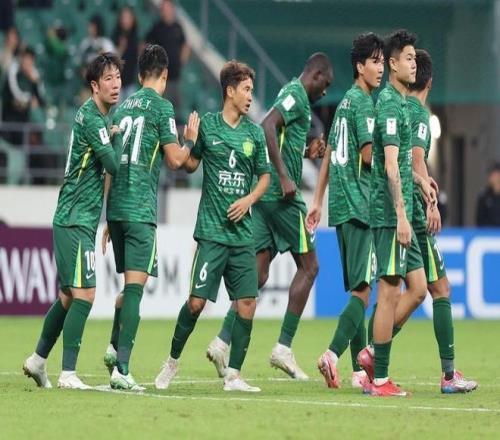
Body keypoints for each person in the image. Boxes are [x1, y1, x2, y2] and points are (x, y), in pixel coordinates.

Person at [206, 53, 333, 381]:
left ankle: (222, 341)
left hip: (265, 198)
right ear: (316, 74)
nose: (325, 92)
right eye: (326, 84)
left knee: (258, 275)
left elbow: (279, 138)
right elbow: (267, 126)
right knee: (310, 266)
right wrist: (285, 176)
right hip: (281, 197)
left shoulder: (292, 95)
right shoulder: (296, 95)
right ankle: (283, 347)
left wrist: (305, 152)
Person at [154, 60, 271, 392]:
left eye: (251, 89)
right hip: (211, 233)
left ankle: (233, 375)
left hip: (242, 236)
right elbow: (189, 166)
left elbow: (265, 177)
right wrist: (189, 140)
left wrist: (249, 200)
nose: (250, 96)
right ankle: (172, 362)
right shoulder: (208, 125)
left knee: (247, 303)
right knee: (196, 303)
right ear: (230, 91)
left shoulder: (255, 133)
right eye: (246, 89)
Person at [100, 44, 200, 391]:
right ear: (165, 75)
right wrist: (190, 141)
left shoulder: (123, 106)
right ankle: (122, 369)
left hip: (116, 209)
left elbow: (110, 163)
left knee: (128, 288)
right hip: (140, 209)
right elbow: (175, 160)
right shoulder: (162, 107)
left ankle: (113, 348)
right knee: (135, 290)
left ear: (139, 73)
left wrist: (107, 214)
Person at [23, 53, 123, 390]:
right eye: (108, 79)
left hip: (78, 218)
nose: (116, 84)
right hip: (74, 218)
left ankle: (38, 361)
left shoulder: (97, 117)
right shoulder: (93, 119)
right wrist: (117, 135)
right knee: (85, 294)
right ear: (94, 86)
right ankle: (68, 373)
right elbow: (113, 165)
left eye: (118, 77)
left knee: (68, 295)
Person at [306, 33, 384, 389]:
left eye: (382, 62)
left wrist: (318, 200)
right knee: (364, 293)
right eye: (375, 62)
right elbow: (368, 156)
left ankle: (358, 371)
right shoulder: (364, 104)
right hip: (361, 206)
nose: (380, 69)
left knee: (358, 290)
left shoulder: (344, 105)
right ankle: (332, 355)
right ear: (359, 66)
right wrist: (396, 163)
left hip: (340, 207)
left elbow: (327, 158)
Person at [356, 30, 432, 397]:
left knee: (418, 289)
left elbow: (401, 163)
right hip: (389, 215)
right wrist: (402, 215)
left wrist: (420, 180)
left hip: (402, 209)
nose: (414, 63)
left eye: (415, 58)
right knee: (389, 291)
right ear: (392, 63)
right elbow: (387, 165)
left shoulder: (402, 104)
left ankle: (373, 353)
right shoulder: (387, 103)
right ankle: (380, 379)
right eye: (408, 58)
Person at [406, 49, 477, 392]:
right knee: (440, 289)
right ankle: (449, 376)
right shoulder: (419, 114)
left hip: (394, 209)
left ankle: (372, 354)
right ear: (430, 82)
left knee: (401, 291)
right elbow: (417, 158)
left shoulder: (397, 108)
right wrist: (431, 202)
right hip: (414, 212)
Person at [144, 0, 190, 116]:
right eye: (164, 9)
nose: (166, 11)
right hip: (161, 76)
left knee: (177, 108)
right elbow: (145, 44)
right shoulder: (157, 27)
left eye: (168, 8)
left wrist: (182, 60)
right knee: (162, 108)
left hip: (176, 75)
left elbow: (185, 44)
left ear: (172, 10)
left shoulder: (178, 27)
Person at [1, 46, 45, 145]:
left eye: (30, 60)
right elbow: (13, 97)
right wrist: (29, 102)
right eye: (25, 59)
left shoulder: (34, 78)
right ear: (21, 59)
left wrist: (35, 83)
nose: (27, 63)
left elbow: (41, 100)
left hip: (26, 119)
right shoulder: (13, 74)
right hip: (10, 119)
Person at [113, 6, 139, 100]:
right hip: (116, 83)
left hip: (131, 82)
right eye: (123, 17)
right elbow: (112, 61)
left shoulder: (136, 37)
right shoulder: (115, 36)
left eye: (128, 17)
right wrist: (121, 48)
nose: (125, 21)